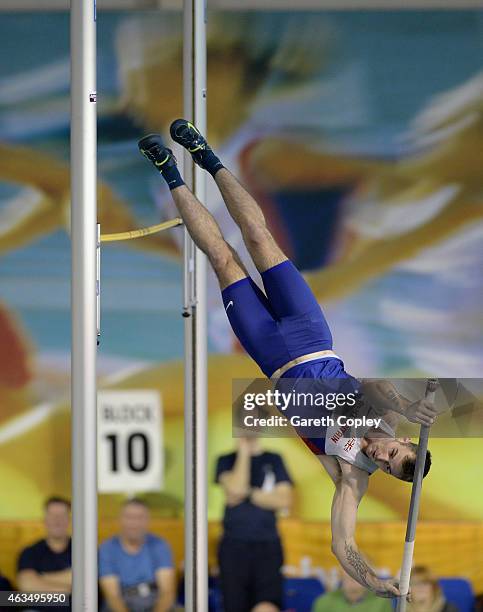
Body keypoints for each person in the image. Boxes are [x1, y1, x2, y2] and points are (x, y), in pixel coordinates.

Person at [138, 120, 439, 599]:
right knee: (259, 238)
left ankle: (168, 171)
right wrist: (408, 409)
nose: (380, 456)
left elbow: (343, 545)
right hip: (310, 333)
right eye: (393, 453)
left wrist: (375, 581)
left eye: (386, 464)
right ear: (402, 441)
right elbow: (377, 390)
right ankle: (206, 157)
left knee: (223, 259)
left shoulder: (350, 474)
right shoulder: (386, 415)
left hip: (272, 355)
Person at [215, 436, 294, 612]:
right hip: (233, 546)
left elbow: (284, 500)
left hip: (268, 545)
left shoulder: (274, 459)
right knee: (234, 604)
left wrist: (248, 493)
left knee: (268, 605)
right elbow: (236, 488)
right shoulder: (226, 460)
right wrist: (243, 452)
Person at [99, 498, 176, 612]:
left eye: (140, 517)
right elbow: (112, 596)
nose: (134, 523)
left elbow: (167, 592)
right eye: (129, 517)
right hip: (122, 600)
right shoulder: (107, 548)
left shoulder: (160, 545)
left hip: (154, 599)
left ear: (148, 520)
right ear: (120, 520)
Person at [17, 497, 72, 610]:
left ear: (69, 519)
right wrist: (67, 589)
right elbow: (27, 586)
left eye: (62, 515)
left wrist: (41, 577)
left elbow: (83, 580)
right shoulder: (30, 552)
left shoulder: (82, 552)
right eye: (52, 515)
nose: (57, 520)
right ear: (45, 519)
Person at [311, 569, 393, 612]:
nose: (353, 575)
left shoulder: (381, 602)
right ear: (341, 575)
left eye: (359, 570)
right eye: (348, 568)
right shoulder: (323, 601)